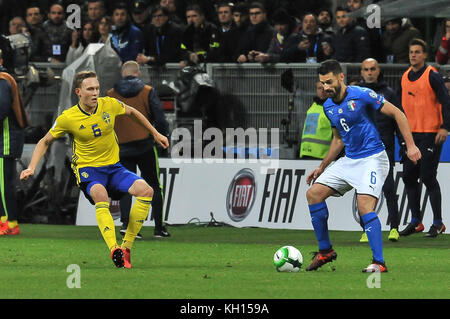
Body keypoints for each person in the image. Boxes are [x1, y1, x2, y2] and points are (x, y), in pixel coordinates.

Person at [19, 70, 169, 268]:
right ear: (78, 92)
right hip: (89, 170)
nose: (95, 92)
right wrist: (31, 167)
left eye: (97, 88)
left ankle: (126, 249)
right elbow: (45, 140)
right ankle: (113, 248)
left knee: (146, 191)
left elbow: (133, 112)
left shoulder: (109, 105)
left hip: (114, 168)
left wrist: (155, 133)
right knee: (101, 195)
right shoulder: (68, 118)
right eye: (90, 89)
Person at [305, 59, 421, 273]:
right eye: (322, 84)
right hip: (350, 160)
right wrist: (322, 167)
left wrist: (411, 146)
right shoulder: (328, 106)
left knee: (364, 207)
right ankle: (325, 251)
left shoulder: (361, 94)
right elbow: (338, 139)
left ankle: (379, 262)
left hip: (373, 158)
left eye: (329, 82)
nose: (326, 88)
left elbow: (398, 113)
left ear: (341, 77)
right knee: (313, 194)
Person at [107, 61, 170, 238]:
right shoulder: (147, 91)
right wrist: (162, 136)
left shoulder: (111, 94)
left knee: (127, 186)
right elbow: (160, 117)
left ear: (122, 74)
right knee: (154, 185)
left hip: (122, 147)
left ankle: (127, 225)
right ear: (138, 73)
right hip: (145, 146)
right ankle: (159, 228)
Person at [398, 39, 450, 238]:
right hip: (411, 135)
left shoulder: (432, 76)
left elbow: (446, 102)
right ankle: (415, 221)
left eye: (417, 52)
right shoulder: (404, 77)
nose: (413, 55)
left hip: (430, 134)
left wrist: (445, 127)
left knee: (427, 176)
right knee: (410, 177)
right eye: (411, 52)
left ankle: (438, 222)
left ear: (424, 55)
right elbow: (400, 108)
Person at [358, 58, 402, 242]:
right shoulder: (356, 93)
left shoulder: (388, 93)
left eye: (372, 69)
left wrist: (404, 145)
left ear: (378, 71)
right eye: (366, 69)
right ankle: (366, 229)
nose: (369, 72)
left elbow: (398, 117)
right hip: (362, 148)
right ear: (361, 72)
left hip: (385, 146)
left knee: (388, 187)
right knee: (363, 190)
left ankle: (394, 227)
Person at [0, 49, 29, 236]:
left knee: (3, 183)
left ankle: (8, 222)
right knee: (4, 181)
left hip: (6, 138)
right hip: (7, 137)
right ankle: (8, 221)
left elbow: (1, 109)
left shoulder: (2, 81)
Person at [299, 81, 332, 159]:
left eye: (324, 88)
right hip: (306, 153)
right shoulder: (313, 107)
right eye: (319, 88)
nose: (322, 91)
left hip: (323, 156)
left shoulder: (333, 108)